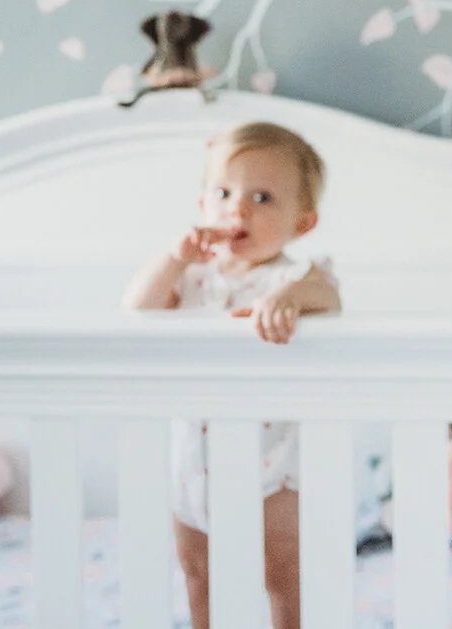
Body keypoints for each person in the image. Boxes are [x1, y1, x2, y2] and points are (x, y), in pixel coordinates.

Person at [123, 121, 341, 629]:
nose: (238, 209)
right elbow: (137, 308)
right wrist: (173, 257)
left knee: (282, 572)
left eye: (262, 198)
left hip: (274, 464)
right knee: (198, 574)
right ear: (202, 204)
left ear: (303, 222)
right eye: (223, 193)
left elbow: (328, 296)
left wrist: (287, 299)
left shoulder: (293, 278)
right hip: (193, 463)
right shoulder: (191, 278)